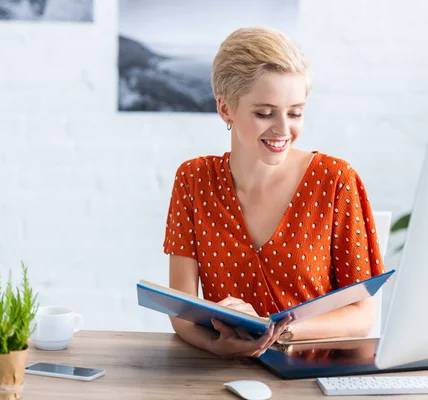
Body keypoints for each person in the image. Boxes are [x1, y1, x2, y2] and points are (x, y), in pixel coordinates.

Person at [164, 26, 386, 359]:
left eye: (295, 112)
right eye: (264, 113)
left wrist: (276, 331)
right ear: (226, 109)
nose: (283, 130)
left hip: (311, 379)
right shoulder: (193, 180)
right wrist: (216, 345)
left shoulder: (336, 180)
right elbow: (181, 312)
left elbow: (362, 314)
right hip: (220, 376)